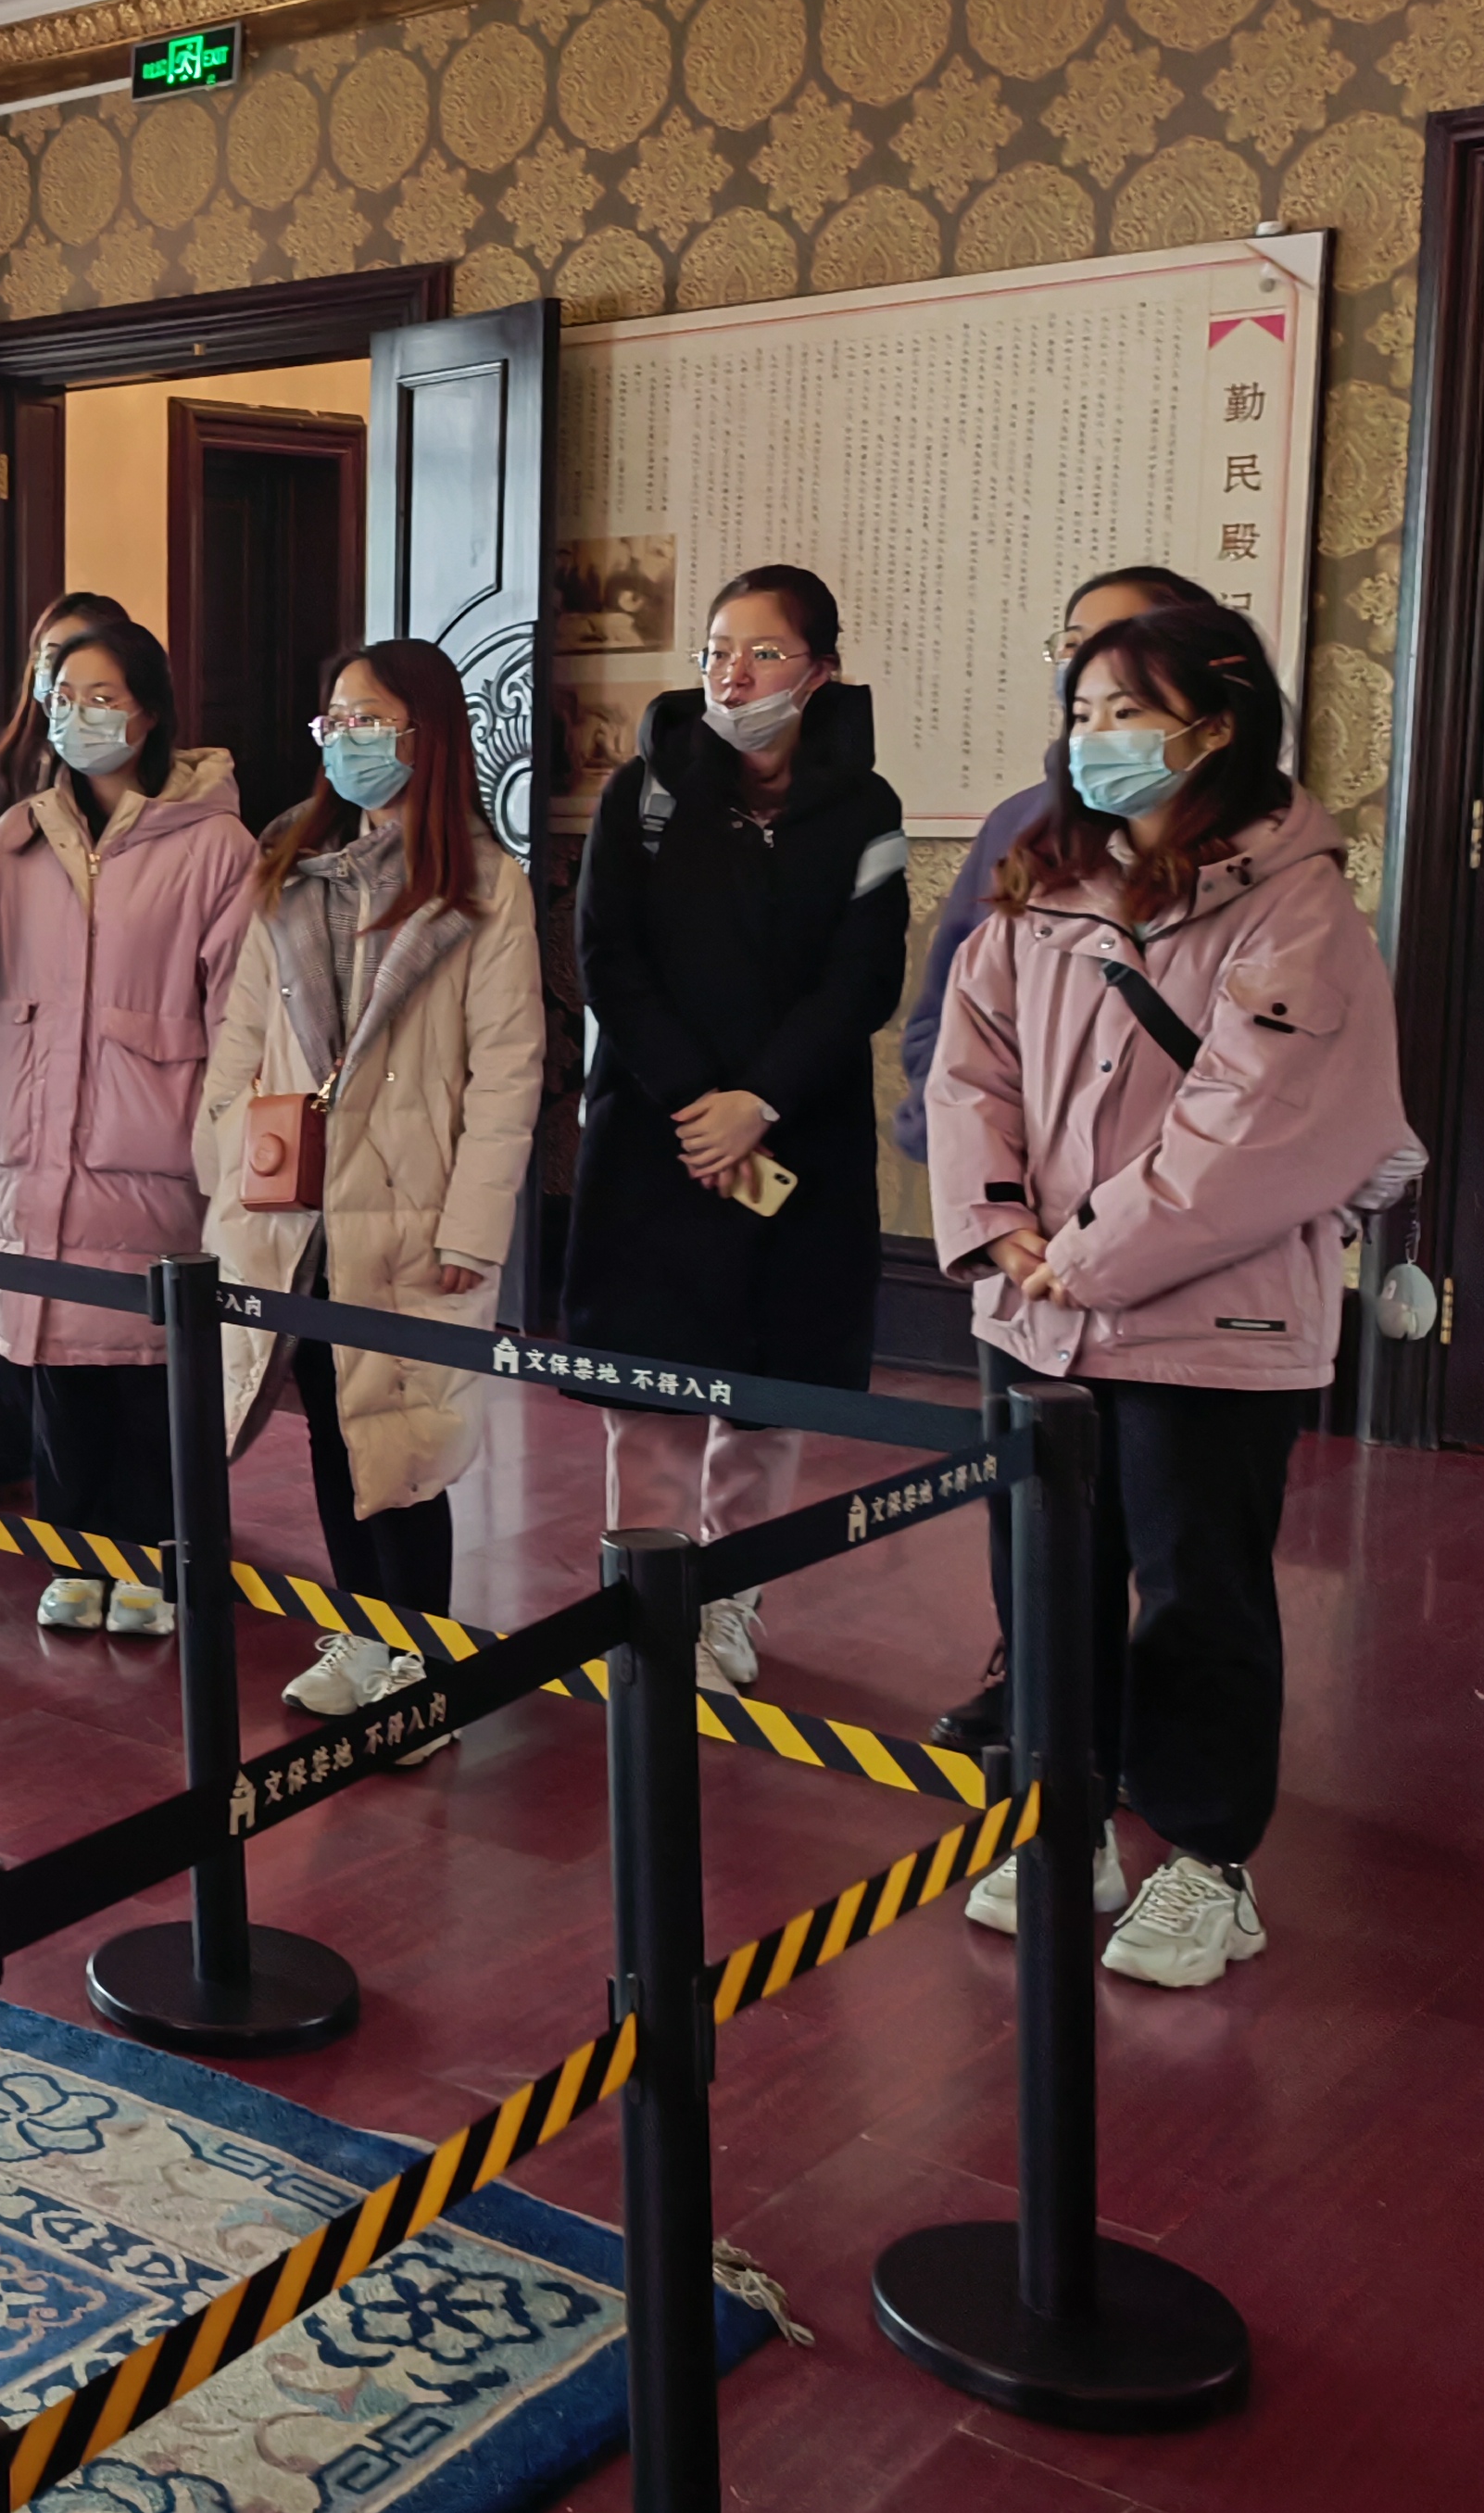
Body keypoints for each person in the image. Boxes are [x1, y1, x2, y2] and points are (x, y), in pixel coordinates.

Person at [932, 603, 1417, 1990]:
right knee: (1048, 1584)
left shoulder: (1297, 904)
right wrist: (997, 1227)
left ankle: (1208, 1860)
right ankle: (1066, 1822)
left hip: (1211, 1320)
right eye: (1082, 712)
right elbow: (969, 1069)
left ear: (1214, 727)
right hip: (1035, 1306)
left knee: (1199, 1593)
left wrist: (1078, 1258)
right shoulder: (1046, 878)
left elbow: (1256, 1127)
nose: (1095, 739)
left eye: (1127, 714)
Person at [563, 563, 909, 1694]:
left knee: (765, 1394)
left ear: (821, 672)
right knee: (650, 1399)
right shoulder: (644, 792)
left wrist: (756, 1102)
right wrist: (695, 1103)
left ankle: (728, 1604)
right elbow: (607, 959)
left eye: (763, 653)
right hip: (657, 1133)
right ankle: (645, 1607)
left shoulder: (865, 809)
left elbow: (862, 977)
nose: (733, 675)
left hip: (795, 1134)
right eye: (717, 650)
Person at [899, 564, 1221, 1756]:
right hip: (1026, 1259)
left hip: (1183, 1262)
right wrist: (983, 1203)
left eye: (1121, 665)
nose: (1088, 690)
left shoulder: (1265, 860)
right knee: (1034, 1512)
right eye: (1075, 658)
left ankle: (1169, 1768)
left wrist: (1108, 1239)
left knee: (1181, 1538)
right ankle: (1037, 1696)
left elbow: (1263, 1105)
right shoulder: (1024, 832)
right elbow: (947, 1032)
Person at [201, 642, 541, 1729]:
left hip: (413, 1207)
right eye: (333, 721)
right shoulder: (293, 869)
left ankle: (418, 1660)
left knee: (402, 1438)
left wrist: (474, 1228)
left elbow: (507, 1071)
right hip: (292, 1206)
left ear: (423, 735)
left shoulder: (485, 886)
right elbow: (239, 1037)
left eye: (366, 720)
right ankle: (358, 1630)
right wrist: (224, 1163)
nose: (344, 740)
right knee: (326, 1420)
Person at [0, 614, 255, 1632]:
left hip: (154, 1152)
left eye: (102, 697)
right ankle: (76, 1552)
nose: (77, 716)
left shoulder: (215, 847)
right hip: (37, 1147)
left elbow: (241, 1018)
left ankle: (158, 1560)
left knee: (146, 1370)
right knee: (54, 1363)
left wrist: (223, 1154)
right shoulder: (18, 839)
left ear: (149, 712)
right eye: (62, 697)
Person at [0, 589, 135, 1507]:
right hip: (14, 1052)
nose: (65, 690)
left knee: (102, 1297)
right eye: (50, 666)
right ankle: (13, 1435)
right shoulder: (5, 784)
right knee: (13, 1271)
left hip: (114, 1074)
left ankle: (120, 1493)